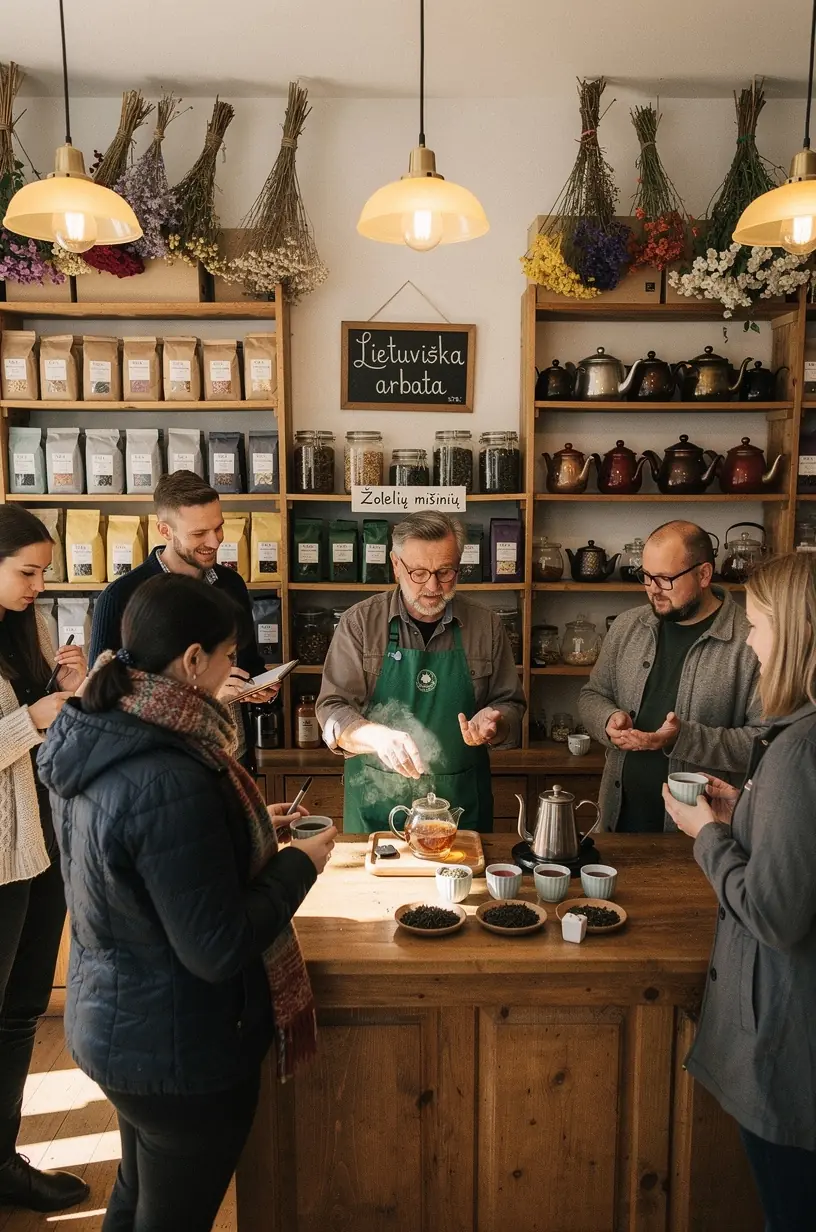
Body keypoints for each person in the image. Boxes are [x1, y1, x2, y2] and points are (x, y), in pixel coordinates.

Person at [39, 575, 335, 1232]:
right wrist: (298, 865)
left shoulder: (105, 728)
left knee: (136, 1197)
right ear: (194, 660)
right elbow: (218, 947)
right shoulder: (175, 770)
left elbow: (141, 873)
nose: (238, 669)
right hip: (180, 1050)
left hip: (117, 1023)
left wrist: (250, 828)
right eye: (231, 655)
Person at [662, 552, 816, 1231]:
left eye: (757, 627)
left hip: (790, 1043)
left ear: (797, 634)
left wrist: (705, 833)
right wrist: (739, 818)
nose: (750, 643)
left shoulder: (799, 749)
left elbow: (775, 913)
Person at [316, 511, 526, 833]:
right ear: (395, 565)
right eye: (418, 573)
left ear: (459, 565)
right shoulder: (360, 624)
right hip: (377, 809)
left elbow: (511, 703)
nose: (433, 586)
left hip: (460, 808)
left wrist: (494, 723)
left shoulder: (486, 626)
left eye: (445, 572)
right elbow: (332, 709)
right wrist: (376, 736)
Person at [0, 507, 89, 1214]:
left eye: (43, 572)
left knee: (22, 1010)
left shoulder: (20, 630)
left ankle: (3, 1159)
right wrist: (31, 717)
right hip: (0, 858)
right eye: (27, 572)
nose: (38, 585)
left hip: (40, 844)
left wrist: (63, 688)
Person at [579, 520, 762, 832]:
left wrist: (683, 738)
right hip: (617, 821)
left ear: (704, 574)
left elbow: (763, 742)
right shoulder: (627, 626)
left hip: (702, 835)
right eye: (646, 577)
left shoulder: (750, 641)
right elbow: (591, 695)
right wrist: (608, 720)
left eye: (665, 579)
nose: (652, 590)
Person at [88, 470, 277, 767]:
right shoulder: (121, 596)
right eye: (199, 534)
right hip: (162, 763)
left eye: (218, 528)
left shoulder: (231, 584)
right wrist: (211, 694)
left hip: (232, 755)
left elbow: (245, 661)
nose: (214, 542)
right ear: (165, 530)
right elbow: (101, 696)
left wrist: (257, 684)